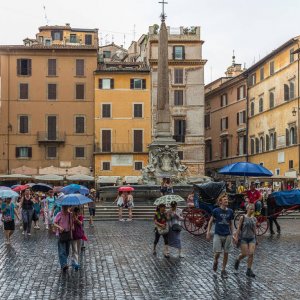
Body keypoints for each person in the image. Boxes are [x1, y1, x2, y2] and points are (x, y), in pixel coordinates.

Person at [206, 193, 234, 278]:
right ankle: (215, 261)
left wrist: (233, 234)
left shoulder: (230, 211)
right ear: (220, 202)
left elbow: (231, 223)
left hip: (227, 235)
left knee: (226, 253)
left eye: (227, 199)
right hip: (218, 234)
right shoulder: (216, 211)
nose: (226, 201)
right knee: (217, 253)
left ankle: (223, 270)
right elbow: (210, 222)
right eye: (225, 199)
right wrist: (208, 232)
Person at [233, 203, 257, 278]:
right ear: (247, 209)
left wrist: (256, 238)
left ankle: (249, 270)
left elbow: (254, 229)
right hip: (243, 238)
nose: (252, 210)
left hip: (251, 238)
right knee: (244, 254)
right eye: (251, 209)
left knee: (251, 253)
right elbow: (239, 228)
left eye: (253, 209)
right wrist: (236, 237)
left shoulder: (254, 219)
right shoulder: (242, 217)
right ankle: (238, 259)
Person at [54, 206, 73, 272]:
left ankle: (64, 263)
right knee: (62, 251)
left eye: (66, 206)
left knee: (67, 251)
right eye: (63, 206)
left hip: (68, 234)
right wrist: (59, 227)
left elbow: (71, 225)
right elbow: (54, 223)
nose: (64, 208)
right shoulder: (59, 214)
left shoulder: (70, 214)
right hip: (61, 234)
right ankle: (64, 265)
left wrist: (71, 233)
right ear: (62, 207)